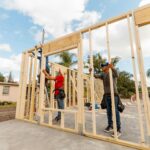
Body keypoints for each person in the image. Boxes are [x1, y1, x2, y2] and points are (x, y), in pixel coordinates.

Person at [89, 62, 121, 137]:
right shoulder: (103, 74)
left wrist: (112, 67)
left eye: (103, 66)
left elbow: (117, 75)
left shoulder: (112, 73)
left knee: (115, 111)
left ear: (107, 66)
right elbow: (96, 76)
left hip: (114, 94)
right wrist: (91, 72)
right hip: (107, 95)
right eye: (102, 66)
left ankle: (118, 128)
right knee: (109, 111)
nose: (102, 67)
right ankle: (110, 125)